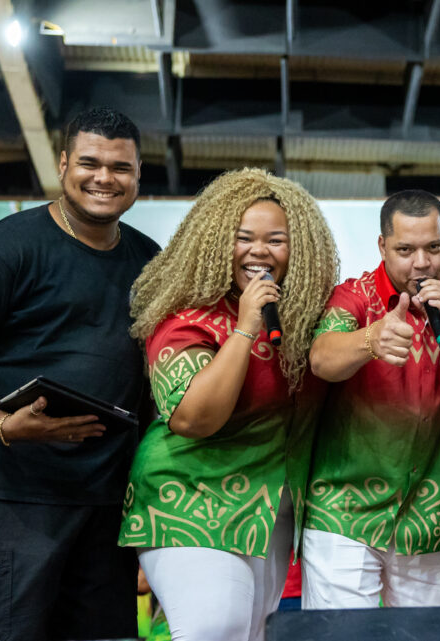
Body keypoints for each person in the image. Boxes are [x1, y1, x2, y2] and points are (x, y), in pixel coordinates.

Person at [0, 106, 159, 641]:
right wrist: (2, 422)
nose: (104, 177)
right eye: (90, 162)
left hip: (103, 505)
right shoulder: (12, 244)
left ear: (139, 173)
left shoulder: (150, 262)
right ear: (62, 164)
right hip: (10, 497)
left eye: (120, 167)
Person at [117, 168, 338, 641]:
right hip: (190, 500)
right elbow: (195, 417)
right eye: (243, 238)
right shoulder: (183, 318)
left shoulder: (301, 328)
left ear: (298, 251)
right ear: (216, 242)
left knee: (250, 633)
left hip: (268, 512)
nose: (259, 251)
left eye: (276, 240)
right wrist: (243, 328)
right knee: (215, 628)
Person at [305, 189, 440, 608]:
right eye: (405, 250)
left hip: (429, 521)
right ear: (382, 247)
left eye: (433, 248)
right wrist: (371, 338)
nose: (422, 263)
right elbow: (321, 359)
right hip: (343, 512)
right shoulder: (354, 297)